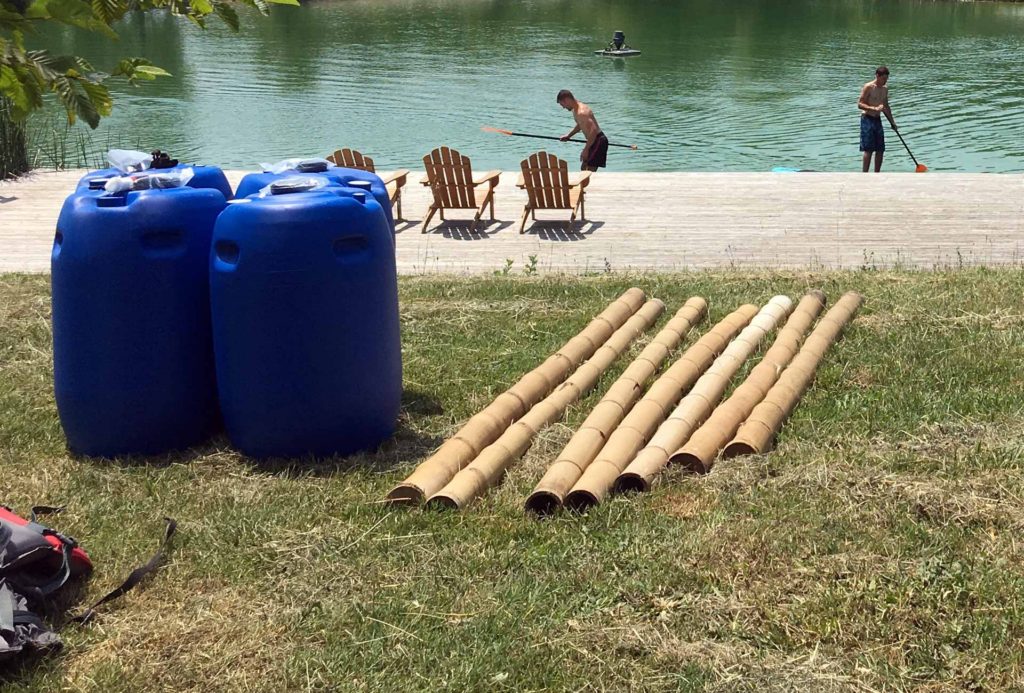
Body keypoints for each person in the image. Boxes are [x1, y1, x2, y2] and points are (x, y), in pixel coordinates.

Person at [557, 90, 609, 172]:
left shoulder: (582, 112)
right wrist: (569, 135)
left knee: (588, 171)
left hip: (599, 141)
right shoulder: (575, 110)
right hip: (593, 141)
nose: (563, 107)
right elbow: (580, 125)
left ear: (566, 100)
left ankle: (591, 184)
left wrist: (586, 149)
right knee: (584, 169)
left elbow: (594, 130)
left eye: (562, 104)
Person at [858, 66, 898, 172]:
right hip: (867, 118)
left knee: (880, 149)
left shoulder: (885, 89)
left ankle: (877, 173)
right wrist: (874, 108)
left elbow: (886, 106)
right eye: (883, 79)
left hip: (877, 120)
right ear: (877, 76)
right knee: (869, 149)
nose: (885, 81)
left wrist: (892, 122)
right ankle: (865, 174)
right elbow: (860, 104)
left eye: (887, 79)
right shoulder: (869, 87)